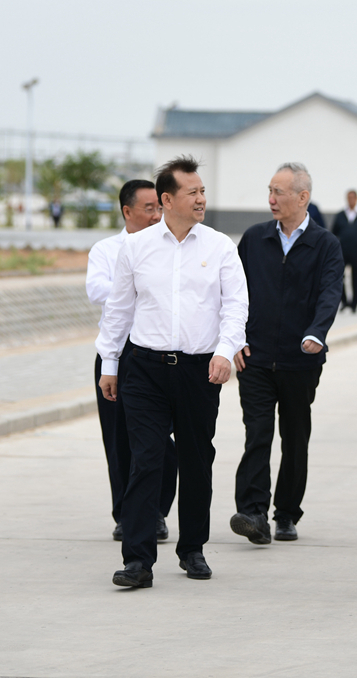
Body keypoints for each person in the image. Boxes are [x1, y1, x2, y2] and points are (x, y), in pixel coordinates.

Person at [97, 155, 248, 588]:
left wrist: (224, 351)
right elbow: (119, 309)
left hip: (200, 371)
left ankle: (192, 549)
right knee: (146, 461)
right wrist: (110, 363)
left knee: (197, 461)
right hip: (144, 368)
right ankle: (137, 560)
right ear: (167, 200)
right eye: (192, 192)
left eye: (203, 191)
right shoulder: (135, 247)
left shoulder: (220, 246)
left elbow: (236, 305)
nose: (201, 199)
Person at [229, 163, 343, 545]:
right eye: (270, 191)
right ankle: (252, 513)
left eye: (278, 192)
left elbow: (330, 293)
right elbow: (233, 292)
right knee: (257, 433)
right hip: (255, 358)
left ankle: (287, 513)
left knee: (295, 438)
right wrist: (234, 339)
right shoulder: (254, 238)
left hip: (301, 359)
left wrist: (316, 333)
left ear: (302, 197)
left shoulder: (326, 244)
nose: (271, 199)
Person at [86, 180, 176, 541]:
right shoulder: (107, 249)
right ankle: (125, 514)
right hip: (117, 354)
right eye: (149, 208)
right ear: (127, 211)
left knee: (162, 439)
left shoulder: (171, 247)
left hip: (159, 355)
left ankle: (156, 511)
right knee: (118, 439)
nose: (156, 215)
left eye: (159, 207)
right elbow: (97, 289)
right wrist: (136, 286)